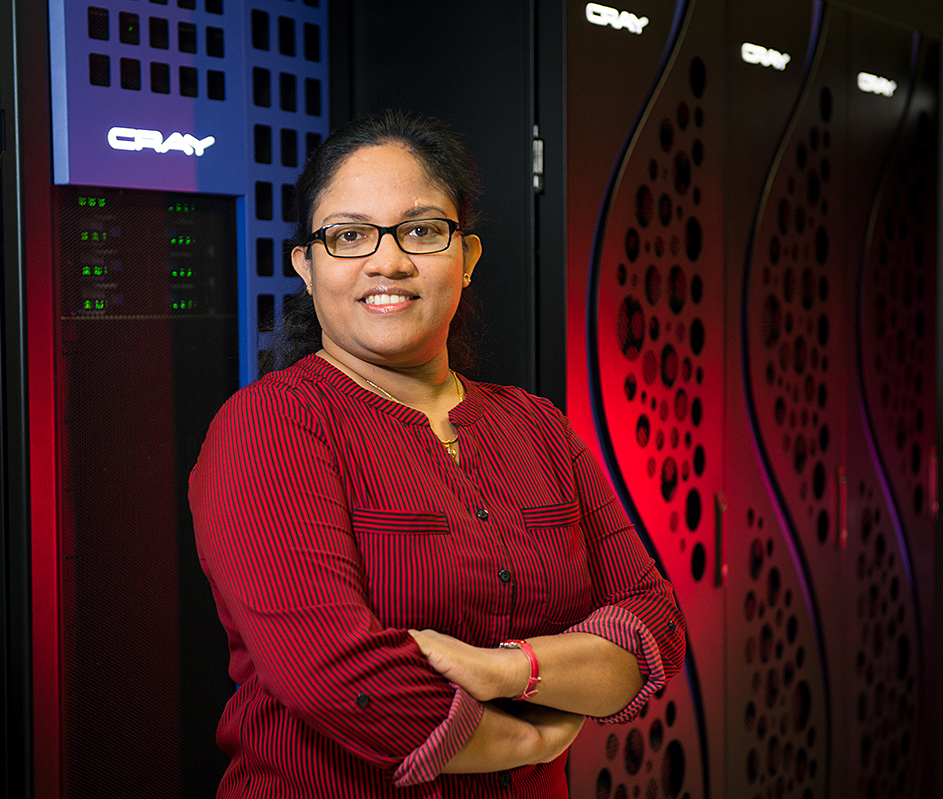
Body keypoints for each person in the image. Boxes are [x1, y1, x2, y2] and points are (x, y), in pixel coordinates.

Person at [189, 109, 686, 798]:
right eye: (349, 236)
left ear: (467, 258)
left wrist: (509, 669)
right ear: (307, 265)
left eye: (421, 230)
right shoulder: (269, 426)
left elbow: (653, 623)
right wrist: (530, 737)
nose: (387, 260)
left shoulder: (537, 425)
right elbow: (338, 678)